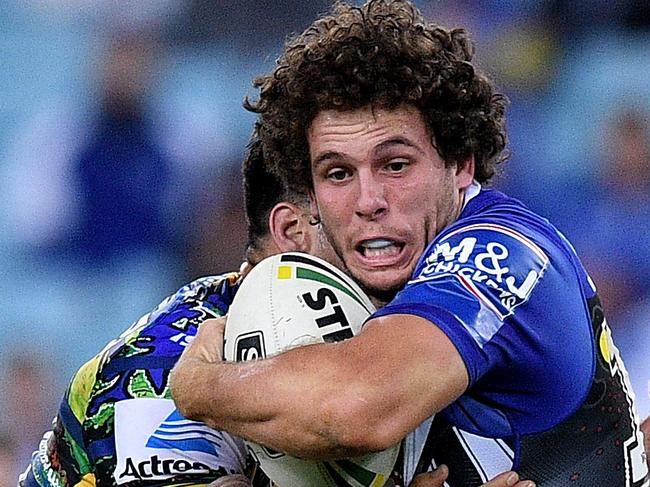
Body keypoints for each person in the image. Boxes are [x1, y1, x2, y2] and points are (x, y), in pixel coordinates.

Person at [170, 1, 649, 486]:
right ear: (310, 198)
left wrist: (199, 387)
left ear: (461, 163)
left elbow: (353, 409)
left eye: (395, 165)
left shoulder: (498, 254)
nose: (368, 200)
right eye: (338, 174)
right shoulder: (362, 289)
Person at [18, 135, 531, 487]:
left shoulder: (388, 341)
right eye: (341, 188)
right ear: (293, 231)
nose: (375, 209)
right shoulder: (160, 373)